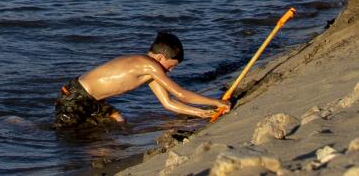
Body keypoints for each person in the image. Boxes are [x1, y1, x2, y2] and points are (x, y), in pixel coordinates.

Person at [54, 32, 229, 130]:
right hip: (76, 95)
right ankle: (27, 128)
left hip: (93, 99)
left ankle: (105, 151)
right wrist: (217, 102)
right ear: (161, 57)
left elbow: (167, 103)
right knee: (65, 133)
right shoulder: (148, 66)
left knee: (118, 121)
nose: (171, 70)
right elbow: (181, 94)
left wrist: (201, 113)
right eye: (172, 65)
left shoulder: (150, 71)